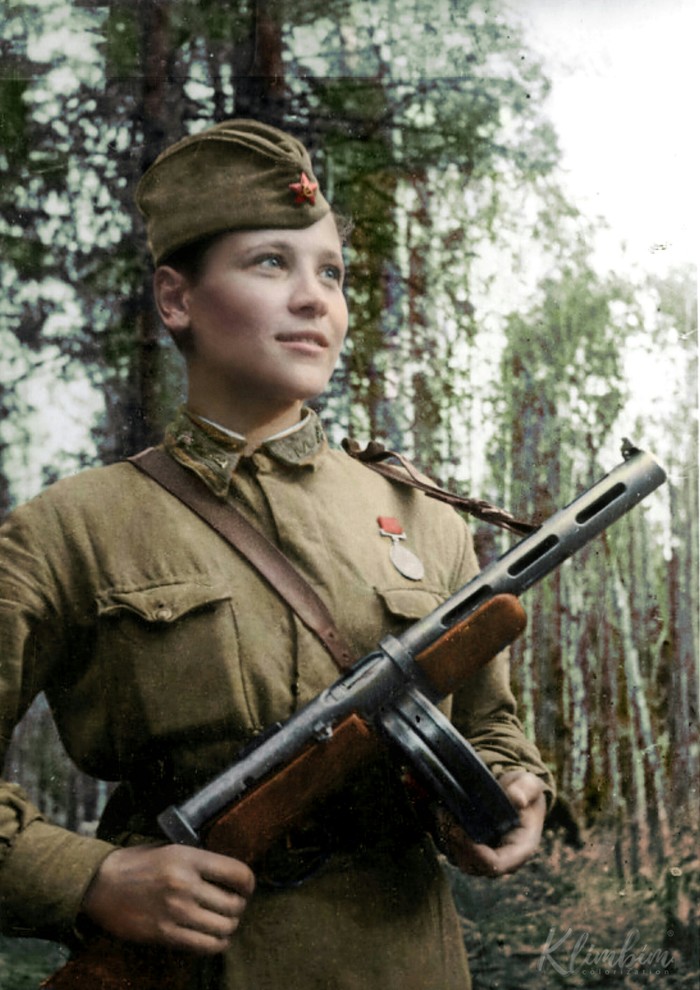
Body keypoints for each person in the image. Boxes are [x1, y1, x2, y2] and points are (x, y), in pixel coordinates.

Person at [0, 120, 553, 989]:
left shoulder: (420, 515)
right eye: (271, 264)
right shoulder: (72, 528)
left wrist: (515, 793)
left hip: (405, 963)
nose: (314, 299)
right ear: (176, 299)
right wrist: (91, 878)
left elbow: (491, 727)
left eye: (330, 272)